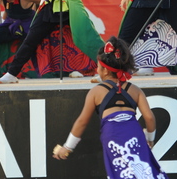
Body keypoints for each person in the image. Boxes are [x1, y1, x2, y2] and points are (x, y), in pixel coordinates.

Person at [53, 37, 168, 179]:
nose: (97, 69)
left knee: (120, 173)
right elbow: (149, 117)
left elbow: (82, 121)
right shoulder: (136, 90)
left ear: (105, 71)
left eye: (98, 66)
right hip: (135, 133)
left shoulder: (96, 92)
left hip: (112, 135)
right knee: (143, 172)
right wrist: (150, 139)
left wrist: (68, 147)